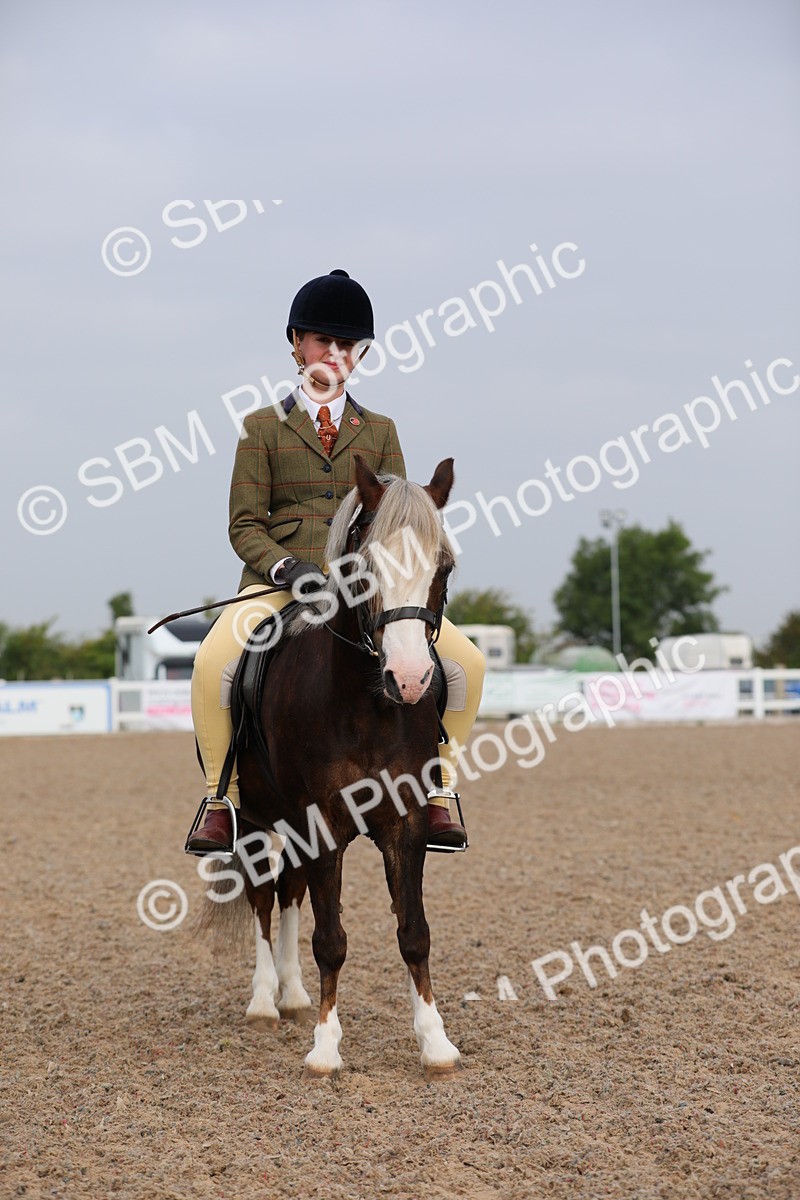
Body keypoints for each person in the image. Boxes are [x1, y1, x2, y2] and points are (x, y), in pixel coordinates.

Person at [187, 269, 485, 854]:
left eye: (348, 345)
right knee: (212, 663)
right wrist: (286, 571)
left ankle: (440, 787)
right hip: (280, 585)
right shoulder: (261, 429)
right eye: (324, 341)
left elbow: (402, 515)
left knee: (467, 665)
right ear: (297, 343)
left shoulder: (379, 430)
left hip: (368, 589)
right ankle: (219, 798)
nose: (335, 354)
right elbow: (244, 525)